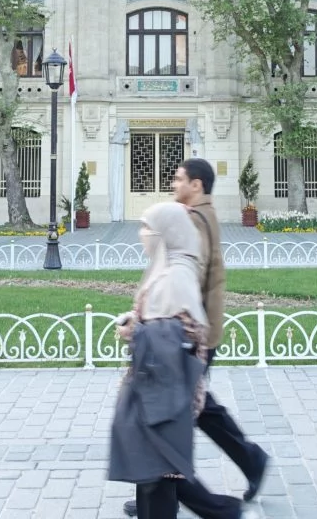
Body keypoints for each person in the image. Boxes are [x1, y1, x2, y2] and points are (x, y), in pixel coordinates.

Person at [123, 158, 261, 519]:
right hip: (191, 336)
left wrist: (166, 322)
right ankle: (248, 462)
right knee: (196, 411)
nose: (173, 183)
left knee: (168, 424)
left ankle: (212, 505)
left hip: (183, 341)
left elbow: (188, 272)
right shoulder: (201, 212)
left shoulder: (193, 219)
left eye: (179, 178)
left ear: (196, 184)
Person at [109, 202, 210, 519]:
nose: (141, 235)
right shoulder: (163, 269)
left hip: (166, 396)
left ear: (166, 234)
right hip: (153, 392)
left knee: (162, 481)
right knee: (152, 475)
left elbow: (184, 333)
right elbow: (158, 320)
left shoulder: (177, 276)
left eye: (147, 228)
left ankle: (222, 509)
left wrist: (136, 333)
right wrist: (137, 323)